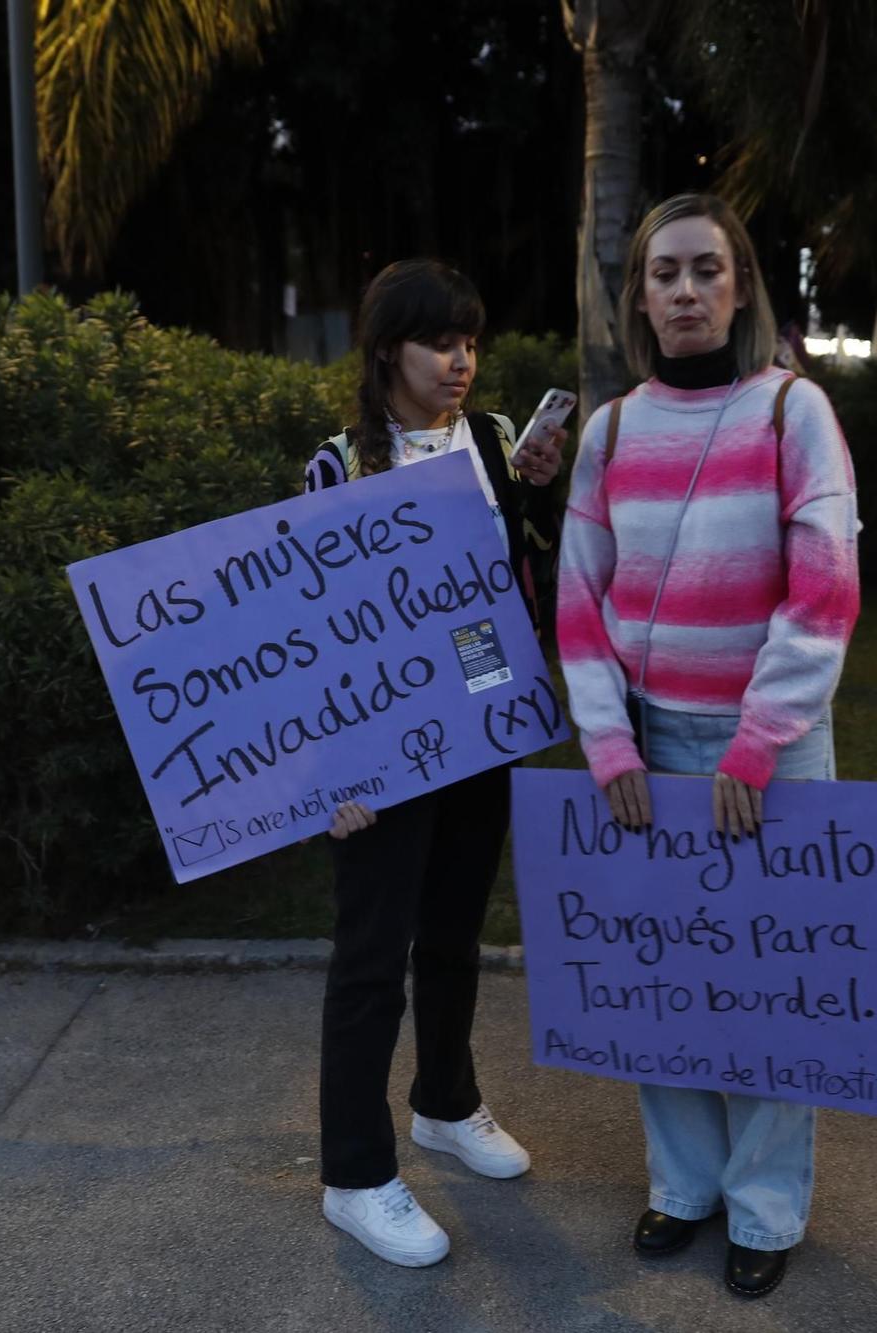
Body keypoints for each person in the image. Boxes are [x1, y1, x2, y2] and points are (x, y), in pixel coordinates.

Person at [555, 193, 861, 1299]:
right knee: (663, 983)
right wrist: (605, 747)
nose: (684, 292)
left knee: (774, 989)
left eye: (705, 271)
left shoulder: (794, 412)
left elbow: (823, 588)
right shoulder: (611, 432)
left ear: (739, 288)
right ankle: (683, 1186)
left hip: (767, 756)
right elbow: (578, 604)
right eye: (663, 274)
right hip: (645, 751)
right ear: (638, 296)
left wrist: (759, 741)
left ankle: (765, 1205)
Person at [302, 259, 565, 1267]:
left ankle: (444, 1103)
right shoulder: (338, 465)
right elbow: (310, 632)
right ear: (384, 354)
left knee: (452, 934)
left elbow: (524, 571)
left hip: (480, 724)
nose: (458, 360)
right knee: (370, 957)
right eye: (437, 342)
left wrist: (541, 488)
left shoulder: (497, 440)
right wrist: (335, 776)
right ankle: (355, 1175)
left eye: (468, 340)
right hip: (378, 751)